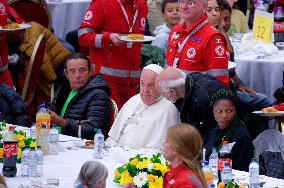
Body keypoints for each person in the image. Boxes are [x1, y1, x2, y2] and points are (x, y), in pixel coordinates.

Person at [78, 0, 148, 109]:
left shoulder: (142, 6)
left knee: (128, 123)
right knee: (112, 123)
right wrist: (107, 38)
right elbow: (83, 36)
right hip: (107, 79)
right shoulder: (102, 3)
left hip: (132, 81)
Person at [106, 64, 180, 149]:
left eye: (151, 85)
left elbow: (163, 151)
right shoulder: (134, 100)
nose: (145, 90)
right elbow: (113, 138)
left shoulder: (170, 108)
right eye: (142, 84)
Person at [166, 0, 229, 87]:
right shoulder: (176, 31)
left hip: (194, 98)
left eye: (190, 2)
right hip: (171, 93)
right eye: (181, 1)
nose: (183, 6)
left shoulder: (212, 38)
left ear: (204, 7)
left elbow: (220, 86)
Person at [48, 53, 111, 139]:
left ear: (90, 71)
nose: (77, 75)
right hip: (56, 140)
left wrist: (63, 123)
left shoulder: (99, 95)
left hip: (83, 147)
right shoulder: (63, 89)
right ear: (66, 74)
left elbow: (96, 130)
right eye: (72, 71)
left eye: (82, 70)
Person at [156, 67, 229, 137]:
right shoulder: (190, 80)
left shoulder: (201, 102)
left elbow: (204, 136)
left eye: (164, 95)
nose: (166, 99)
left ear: (172, 92)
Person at [203, 89, 254, 171]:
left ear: (235, 111)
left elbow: (239, 168)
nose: (224, 116)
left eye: (229, 111)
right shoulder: (213, 131)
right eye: (219, 111)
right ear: (213, 111)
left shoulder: (241, 135)